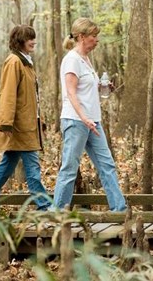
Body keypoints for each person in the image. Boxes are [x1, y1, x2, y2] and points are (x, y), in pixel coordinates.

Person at [52, 17, 127, 212]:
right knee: (69, 168)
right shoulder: (72, 60)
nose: (97, 40)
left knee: (107, 165)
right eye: (94, 36)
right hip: (76, 121)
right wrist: (84, 118)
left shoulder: (86, 60)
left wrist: (104, 88)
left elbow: (86, 90)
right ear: (82, 37)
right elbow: (71, 92)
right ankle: (58, 212)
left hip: (93, 122)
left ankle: (119, 209)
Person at [0, 25, 53, 211]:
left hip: (28, 124)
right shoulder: (14, 62)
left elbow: (30, 97)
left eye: (34, 38)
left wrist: (39, 120)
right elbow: (8, 94)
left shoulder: (26, 62)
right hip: (19, 126)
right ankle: (44, 204)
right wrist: (6, 122)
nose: (33, 41)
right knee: (33, 168)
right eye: (30, 38)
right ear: (20, 41)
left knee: (7, 165)